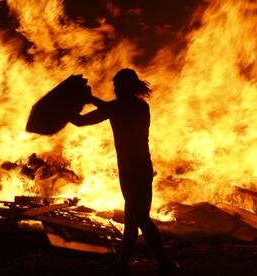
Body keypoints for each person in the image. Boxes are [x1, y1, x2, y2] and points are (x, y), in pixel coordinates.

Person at [69, 68, 178, 274]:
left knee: (140, 218)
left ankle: (164, 264)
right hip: (142, 167)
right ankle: (123, 265)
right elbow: (112, 108)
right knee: (132, 218)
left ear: (125, 88)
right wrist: (90, 98)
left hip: (131, 170)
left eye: (118, 86)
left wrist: (62, 109)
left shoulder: (118, 108)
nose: (116, 89)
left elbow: (82, 121)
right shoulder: (139, 107)